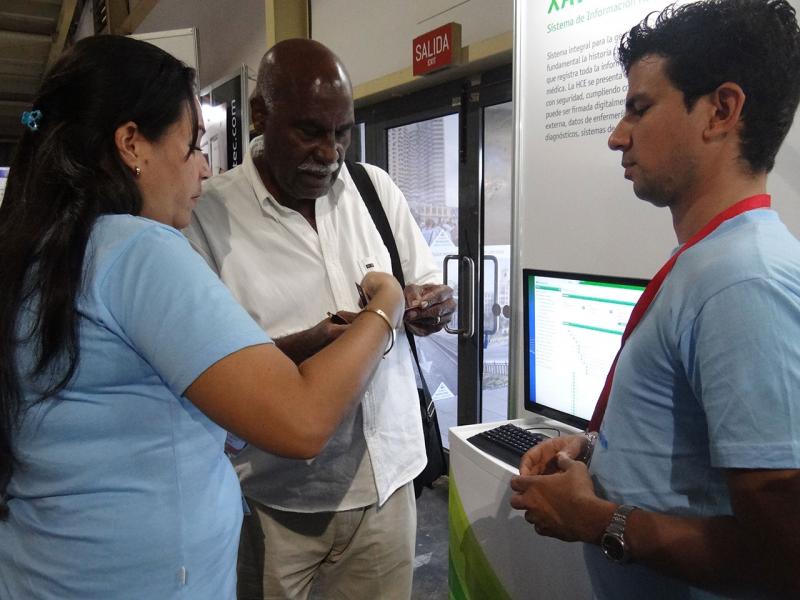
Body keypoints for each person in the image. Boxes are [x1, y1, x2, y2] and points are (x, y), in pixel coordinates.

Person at [0, 35, 406, 600]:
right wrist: (387, 306)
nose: (206, 170)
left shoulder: (39, 250)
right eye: (192, 147)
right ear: (131, 144)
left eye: (341, 134)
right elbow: (301, 421)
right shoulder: (138, 249)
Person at [509, 1, 800, 598]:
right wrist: (594, 451)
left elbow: (786, 553)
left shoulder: (744, 282)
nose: (618, 136)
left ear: (721, 110)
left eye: (639, 108)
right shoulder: (712, 260)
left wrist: (597, 521)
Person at [184, 39, 455, 600]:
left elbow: (420, 284)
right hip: (276, 502)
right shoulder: (209, 216)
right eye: (309, 131)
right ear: (261, 115)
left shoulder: (374, 190)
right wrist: (316, 343)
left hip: (387, 484)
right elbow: (208, 373)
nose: (329, 153)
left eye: (343, 132)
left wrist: (429, 307)